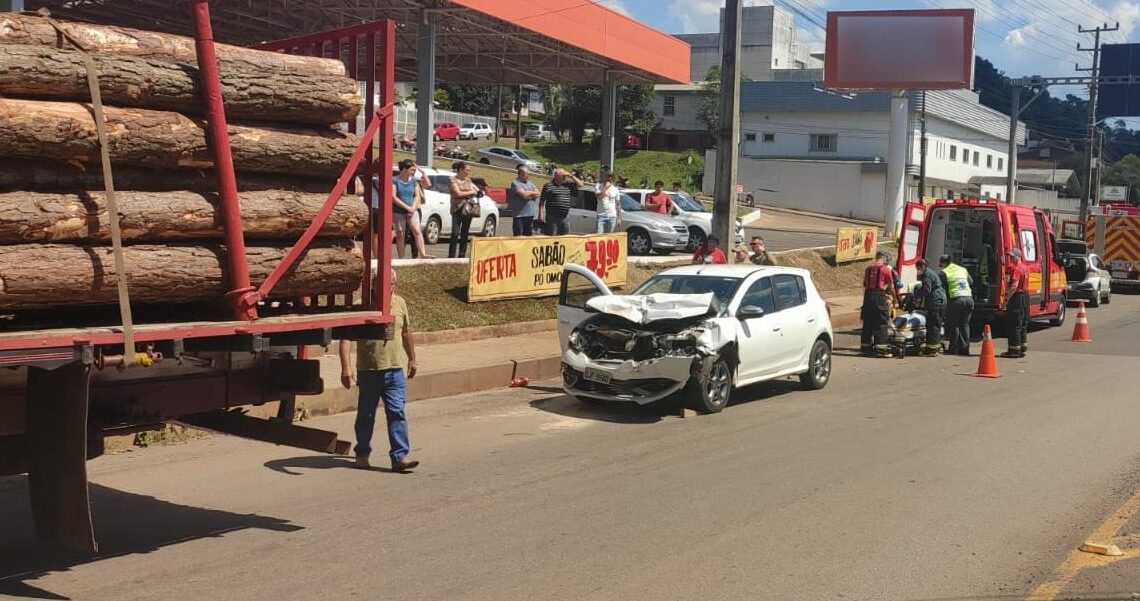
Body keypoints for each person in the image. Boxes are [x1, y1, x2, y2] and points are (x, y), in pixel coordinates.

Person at [338, 269, 419, 473]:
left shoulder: (400, 303)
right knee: (366, 415)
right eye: (381, 282)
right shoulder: (362, 305)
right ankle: (362, 454)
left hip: (395, 370)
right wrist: (346, 367)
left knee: (397, 412)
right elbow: (346, 337)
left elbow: (406, 332)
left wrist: (413, 359)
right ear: (373, 284)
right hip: (369, 370)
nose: (386, 287)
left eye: (390, 283)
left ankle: (399, 457)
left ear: (394, 285)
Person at [860, 251, 899, 357]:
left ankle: (865, 348)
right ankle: (881, 350)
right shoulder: (885, 269)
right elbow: (891, 287)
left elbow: (865, 283)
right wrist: (895, 300)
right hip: (879, 296)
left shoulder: (868, 269)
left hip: (867, 296)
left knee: (867, 322)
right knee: (881, 322)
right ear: (885, 259)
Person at [392, 159, 432, 260]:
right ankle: (401, 257)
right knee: (400, 233)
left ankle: (423, 253)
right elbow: (393, 197)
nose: (414, 172)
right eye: (412, 170)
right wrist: (407, 208)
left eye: (414, 170)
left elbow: (417, 195)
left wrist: (412, 208)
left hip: (412, 210)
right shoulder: (394, 180)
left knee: (417, 230)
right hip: (398, 210)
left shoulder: (414, 181)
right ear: (404, 169)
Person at [942, 254, 975, 356]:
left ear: (943, 263)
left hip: (956, 300)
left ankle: (953, 348)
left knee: (954, 324)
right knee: (964, 324)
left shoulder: (944, 272)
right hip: (969, 299)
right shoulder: (962, 269)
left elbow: (940, 287)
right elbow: (971, 282)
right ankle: (965, 349)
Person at [914, 258, 947, 356]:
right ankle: (934, 347)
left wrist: (915, 295)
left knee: (932, 325)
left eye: (918, 268)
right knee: (935, 325)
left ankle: (931, 350)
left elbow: (926, 290)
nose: (918, 270)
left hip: (935, 301)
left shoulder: (927, 275)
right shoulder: (930, 273)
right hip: (939, 300)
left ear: (922, 267)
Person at [448, 161, 480, 258]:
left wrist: (468, 192)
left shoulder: (468, 180)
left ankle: (462, 254)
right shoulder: (452, 179)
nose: (468, 172)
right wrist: (470, 192)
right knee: (455, 232)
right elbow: (457, 193)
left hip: (467, 209)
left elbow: (476, 191)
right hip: (457, 208)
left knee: (465, 232)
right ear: (461, 170)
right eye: (467, 170)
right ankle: (451, 255)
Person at [1002, 248, 1030, 358]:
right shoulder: (1025, 268)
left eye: (1012, 256)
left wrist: (1006, 299)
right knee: (1023, 324)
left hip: (1017, 297)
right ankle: (1023, 348)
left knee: (1014, 324)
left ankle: (1014, 351)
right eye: (1010, 256)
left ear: (1018, 257)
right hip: (1025, 296)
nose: (1011, 258)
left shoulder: (1016, 269)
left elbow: (1014, 286)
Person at [539, 169, 581, 235]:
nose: (565, 177)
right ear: (556, 176)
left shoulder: (568, 185)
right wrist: (541, 214)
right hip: (552, 217)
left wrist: (571, 176)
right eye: (563, 176)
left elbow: (581, 184)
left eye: (565, 176)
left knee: (564, 237)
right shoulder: (548, 185)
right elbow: (542, 201)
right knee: (551, 236)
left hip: (564, 217)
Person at [509, 164, 540, 237]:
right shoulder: (515, 183)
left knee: (528, 237)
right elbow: (524, 195)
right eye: (527, 174)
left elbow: (538, 193)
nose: (529, 176)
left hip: (530, 215)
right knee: (518, 236)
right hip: (519, 216)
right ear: (521, 174)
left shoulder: (531, 183)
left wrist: (528, 193)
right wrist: (531, 195)